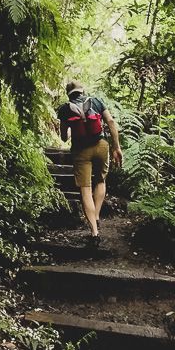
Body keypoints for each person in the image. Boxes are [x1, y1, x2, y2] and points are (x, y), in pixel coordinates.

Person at [57, 80, 122, 245]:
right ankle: (97, 215)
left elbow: (64, 137)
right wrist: (116, 147)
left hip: (80, 151)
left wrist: (72, 131)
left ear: (69, 94)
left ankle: (94, 233)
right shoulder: (96, 101)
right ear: (82, 90)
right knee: (100, 180)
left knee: (85, 190)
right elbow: (111, 122)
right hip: (101, 146)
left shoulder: (65, 109)